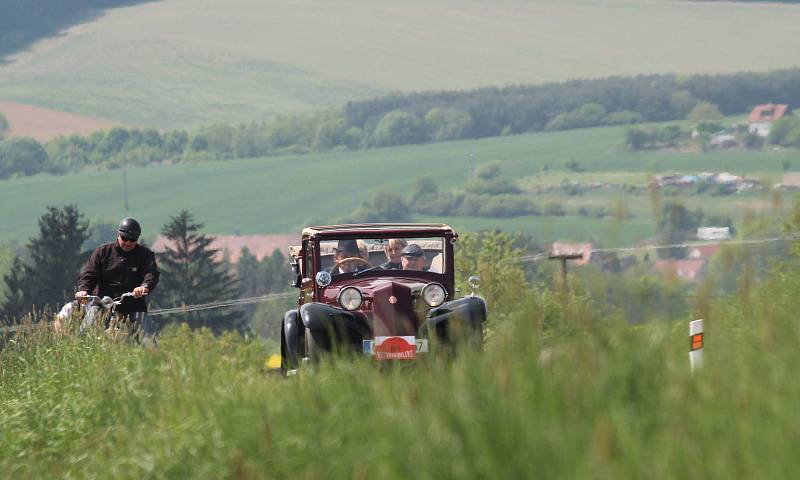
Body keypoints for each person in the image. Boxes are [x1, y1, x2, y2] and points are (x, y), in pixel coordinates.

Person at [75, 217, 160, 343]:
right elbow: (89, 274)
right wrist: (83, 290)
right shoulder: (102, 252)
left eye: (133, 240)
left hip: (133, 304)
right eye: (124, 238)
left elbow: (151, 273)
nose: (128, 242)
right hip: (103, 302)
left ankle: (153, 359)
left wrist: (144, 286)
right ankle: (80, 354)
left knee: (147, 339)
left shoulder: (145, 255)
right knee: (85, 331)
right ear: (118, 235)